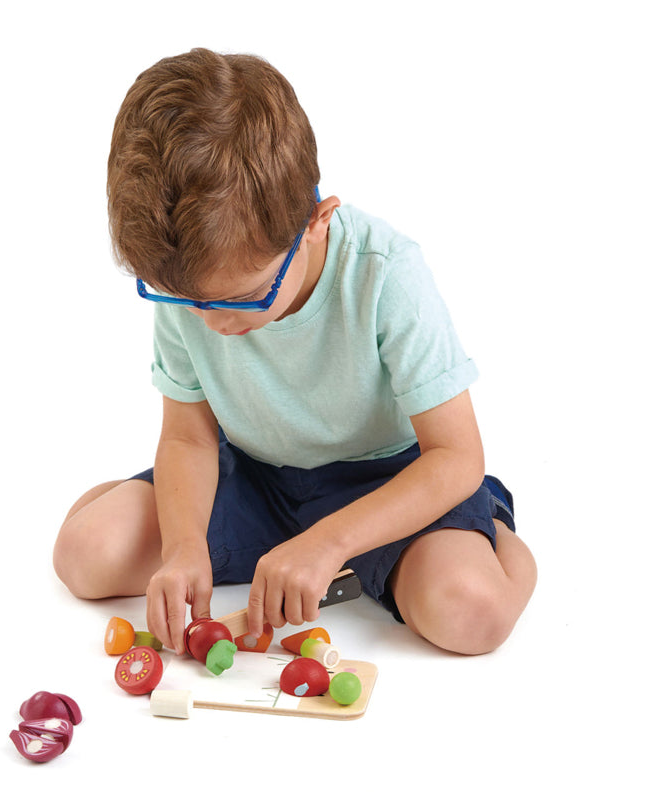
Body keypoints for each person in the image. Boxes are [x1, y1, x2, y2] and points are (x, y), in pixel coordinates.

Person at [53, 48, 537, 657]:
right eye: (189, 303)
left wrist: (330, 542)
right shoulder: (198, 286)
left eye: (246, 298)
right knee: (83, 554)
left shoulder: (385, 274)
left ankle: (490, 531)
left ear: (316, 220)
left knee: (473, 613)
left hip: (387, 480)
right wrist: (182, 550)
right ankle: (224, 533)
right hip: (256, 476)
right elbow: (188, 438)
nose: (216, 324)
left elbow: (456, 455)